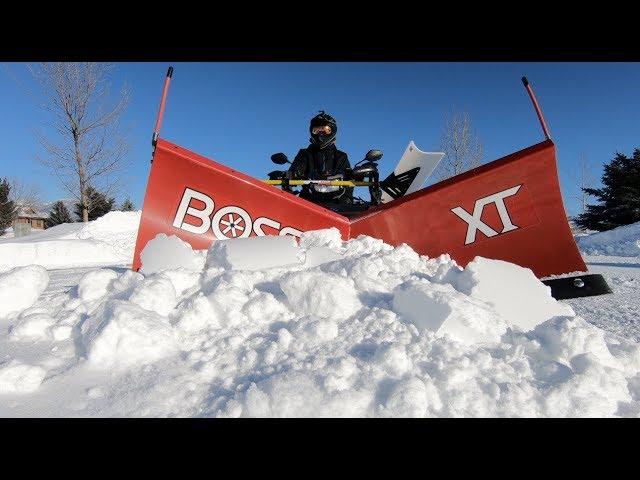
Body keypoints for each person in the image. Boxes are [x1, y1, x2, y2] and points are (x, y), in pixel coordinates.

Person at [288, 111, 353, 204]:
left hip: (338, 201)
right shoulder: (305, 153)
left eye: (325, 130)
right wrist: (292, 173)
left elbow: (349, 177)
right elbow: (296, 168)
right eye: (316, 130)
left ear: (332, 131)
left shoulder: (341, 156)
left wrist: (356, 175)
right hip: (309, 201)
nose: (320, 133)